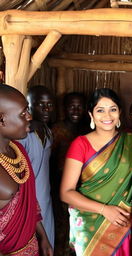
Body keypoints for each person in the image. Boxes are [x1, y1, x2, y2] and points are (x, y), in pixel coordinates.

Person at [60, 88, 132, 256]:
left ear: (119, 113)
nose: (107, 116)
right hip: (89, 225)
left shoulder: (131, 141)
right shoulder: (80, 144)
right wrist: (104, 210)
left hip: (123, 222)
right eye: (100, 110)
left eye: (112, 109)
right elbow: (66, 193)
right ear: (91, 115)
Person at [0, 84, 53, 256]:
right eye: (23, 113)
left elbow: (31, 203)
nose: (29, 117)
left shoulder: (18, 151)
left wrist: (43, 237)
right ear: (2, 120)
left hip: (32, 246)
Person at [51, 92, 87, 256]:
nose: (75, 110)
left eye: (79, 106)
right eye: (72, 106)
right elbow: (50, 162)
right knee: (62, 228)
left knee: (80, 230)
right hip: (61, 186)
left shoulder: (88, 129)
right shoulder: (57, 130)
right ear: (65, 108)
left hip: (84, 189)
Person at [19, 85, 55, 248]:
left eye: (49, 104)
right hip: (27, 202)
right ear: (29, 105)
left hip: (44, 199)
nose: (47, 109)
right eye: (41, 104)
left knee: (47, 244)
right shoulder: (23, 135)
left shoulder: (47, 131)